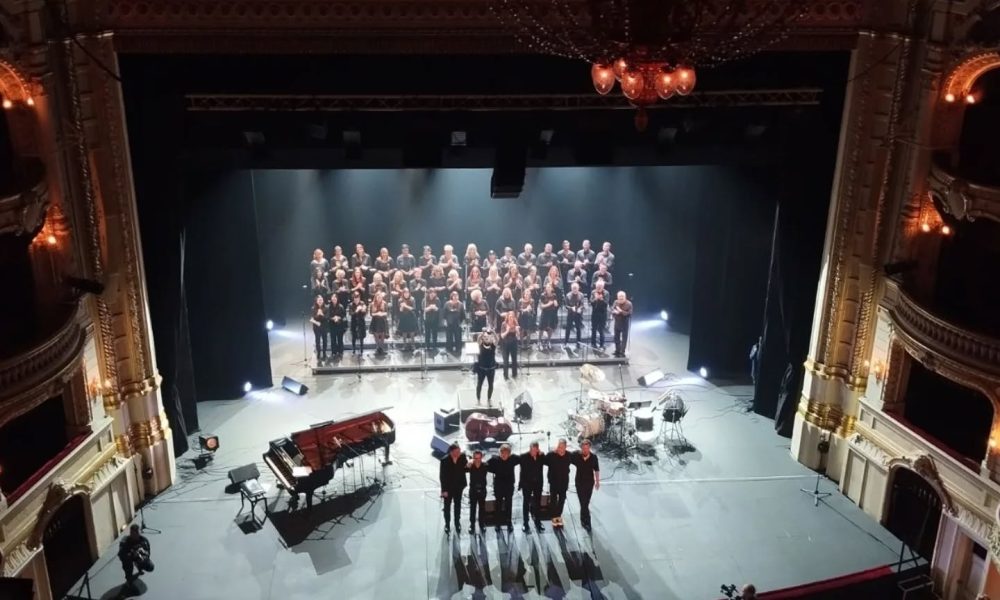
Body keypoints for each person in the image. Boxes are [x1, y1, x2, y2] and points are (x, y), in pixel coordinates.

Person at [488, 444, 519, 533]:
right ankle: (497, 523)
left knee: (509, 504)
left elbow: (524, 458)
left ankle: (509, 522)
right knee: (498, 504)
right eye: (502, 453)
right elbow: (485, 465)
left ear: (509, 454)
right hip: (499, 486)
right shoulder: (494, 460)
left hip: (509, 486)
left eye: (506, 453)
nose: (504, 455)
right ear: (500, 453)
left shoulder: (513, 459)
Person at [572, 439, 600, 531]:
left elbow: (596, 469)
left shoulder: (593, 457)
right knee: (583, 502)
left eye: (587, 448)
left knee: (585, 502)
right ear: (581, 448)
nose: (585, 450)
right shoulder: (576, 455)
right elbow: (566, 457)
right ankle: (587, 521)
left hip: (589, 483)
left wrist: (597, 482)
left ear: (589, 448)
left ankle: (583, 519)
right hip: (579, 483)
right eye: (583, 448)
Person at [439, 444, 468, 534]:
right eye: (457, 452)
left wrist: (470, 464)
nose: (459, 453)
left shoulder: (462, 457)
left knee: (457, 505)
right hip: (448, 488)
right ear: (451, 452)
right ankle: (447, 524)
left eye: (459, 451)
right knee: (447, 507)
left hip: (459, 487)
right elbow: (442, 476)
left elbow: (466, 468)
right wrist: (444, 490)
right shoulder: (444, 460)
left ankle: (457, 523)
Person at [518, 442, 546, 532]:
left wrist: (542, 454)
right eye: (532, 450)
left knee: (537, 503)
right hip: (527, 484)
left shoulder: (541, 456)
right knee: (526, 503)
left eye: (535, 450)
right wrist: (521, 484)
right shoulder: (523, 457)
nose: (533, 452)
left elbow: (547, 461)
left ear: (538, 449)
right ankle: (525, 523)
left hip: (538, 483)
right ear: (529, 449)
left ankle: (538, 521)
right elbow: (521, 471)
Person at [545, 439, 572, 528]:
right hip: (553, 482)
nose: (560, 449)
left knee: (562, 500)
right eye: (559, 447)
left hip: (564, 482)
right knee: (553, 500)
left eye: (562, 447)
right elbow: (543, 460)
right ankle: (554, 517)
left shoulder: (569, 455)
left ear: (565, 447)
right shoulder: (551, 455)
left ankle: (558, 515)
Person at [118, 524, 152, 589]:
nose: (136, 535)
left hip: (138, 557)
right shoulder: (125, 541)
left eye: (137, 533)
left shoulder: (144, 540)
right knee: (127, 565)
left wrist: (143, 556)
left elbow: (148, 552)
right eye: (133, 533)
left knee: (150, 567)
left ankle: (139, 566)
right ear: (131, 533)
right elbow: (121, 555)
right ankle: (129, 579)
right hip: (128, 558)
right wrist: (131, 554)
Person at [467, 450, 489, 535]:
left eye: (479, 458)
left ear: (481, 457)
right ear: (473, 458)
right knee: (472, 508)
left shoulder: (485, 465)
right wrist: (469, 462)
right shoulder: (470, 466)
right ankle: (472, 524)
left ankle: (482, 524)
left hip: (482, 489)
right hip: (473, 490)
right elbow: (463, 468)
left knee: (482, 508)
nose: (477, 460)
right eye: (475, 458)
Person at [474, 326, 498, 403]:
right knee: (479, 384)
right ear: (483, 338)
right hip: (481, 369)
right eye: (485, 337)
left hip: (491, 369)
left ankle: (489, 398)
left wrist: (493, 332)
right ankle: (478, 399)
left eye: (488, 337)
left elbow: (497, 339)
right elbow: (478, 339)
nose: (487, 338)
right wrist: (483, 333)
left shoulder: (493, 345)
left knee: (491, 385)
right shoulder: (480, 344)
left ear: (491, 338)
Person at [538, 283, 560, 350]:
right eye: (547, 287)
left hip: (552, 314)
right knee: (541, 328)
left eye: (549, 287)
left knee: (550, 328)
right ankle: (539, 341)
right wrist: (549, 304)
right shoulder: (542, 295)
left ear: (551, 288)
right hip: (545, 313)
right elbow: (541, 306)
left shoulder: (554, 295)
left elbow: (556, 305)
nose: (548, 289)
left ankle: (548, 341)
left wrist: (556, 304)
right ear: (545, 289)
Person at [612, 290, 633, 357]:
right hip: (617, 323)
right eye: (619, 298)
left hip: (624, 324)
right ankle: (617, 350)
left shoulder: (629, 304)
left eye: (622, 298)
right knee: (616, 338)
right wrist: (614, 312)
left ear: (625, 297)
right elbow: (612, 309)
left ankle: (622, 351)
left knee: (624, 338)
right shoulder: (616, 302)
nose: (620, 299)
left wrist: (621, 311)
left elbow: (629, 314)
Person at [500, 310, 520, 379]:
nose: (511, 318)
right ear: (507, 317)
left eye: (512, 317)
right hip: (505, 344)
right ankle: (505, 376)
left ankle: (514, 374)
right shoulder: (504, 324)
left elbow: (518, 337)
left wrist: (517, 331)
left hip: (513, 344)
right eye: (510, 317)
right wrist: (507, 330)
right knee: (506, 361)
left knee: (514, 360)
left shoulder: (516, 323)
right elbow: (502, 336)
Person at [564, 281, 585, 346]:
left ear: (578, 288)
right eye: (573, 288)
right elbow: (566, 306)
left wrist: (580, 308)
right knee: (568, 328)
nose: (575, 290)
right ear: (571, 288)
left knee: (578, 328)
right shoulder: (568, 295)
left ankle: (578, 342)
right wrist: (571, 308)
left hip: (578, 314)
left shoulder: (581, 295)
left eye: (576, 288)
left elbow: (582, 304)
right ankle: (566, 342)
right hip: (570, 314)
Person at [590, 281, 609, 349]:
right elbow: (591, 302)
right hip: (595, 313)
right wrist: (595, 299)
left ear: (603, 287)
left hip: (602, 314)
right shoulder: (593, 292)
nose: (598, 288)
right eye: (597, 287)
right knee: (594, 329)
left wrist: (601, 299)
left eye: (600, 287)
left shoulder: (606, 293)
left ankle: (602, 344)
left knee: (601, 329)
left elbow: (606, 304)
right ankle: (593, 343)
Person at [310, 295, 328, 361]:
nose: (320, 301)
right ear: (316, 301)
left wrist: (322, 314)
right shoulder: (313, 308)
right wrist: (318, 314)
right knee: (317, 341)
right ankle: (318, 353)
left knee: (325, 340)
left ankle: (324, 353)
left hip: (324, 326)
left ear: (323, 301)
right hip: (316, 327)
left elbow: (327, 318)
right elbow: (313, 318)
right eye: (319, 300)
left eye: (321, 300)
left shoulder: (326, 307)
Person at [349, 290, 367, 354]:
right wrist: (356, 310)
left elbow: (365, 313)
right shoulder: (351, 304)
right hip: (354, 322)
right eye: (355, 298)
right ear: (353, 298)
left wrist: (362, 310)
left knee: (361, 336)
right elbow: (351, 313)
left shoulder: (362, 303)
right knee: (354, 336)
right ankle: (353, 349)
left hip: (361, 322)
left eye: (357, 298)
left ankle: (362, 349)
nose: (356, 299)